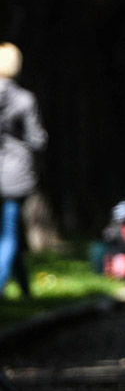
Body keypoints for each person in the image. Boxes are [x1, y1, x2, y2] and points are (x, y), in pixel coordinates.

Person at [0, 43, 47, 300]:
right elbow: (37, 138)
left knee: (11, 231)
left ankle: (25, 289)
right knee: (10, 233)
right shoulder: (23, 99)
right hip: (15, 174)